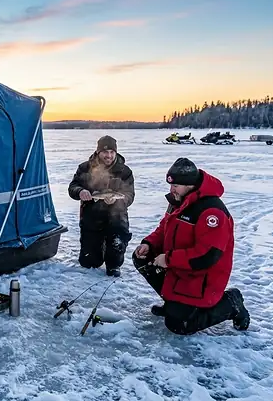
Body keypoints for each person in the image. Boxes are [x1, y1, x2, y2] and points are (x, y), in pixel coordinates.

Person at [133, 157, 250, 335]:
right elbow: (164, 228)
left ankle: (231, 303)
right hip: (181, 270)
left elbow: (207, 256)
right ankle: (173, 303)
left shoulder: (211, 212)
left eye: (176, 186)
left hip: (201, 277)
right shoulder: (179, 201)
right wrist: (149, 244)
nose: (171, 190)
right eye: (170, 185)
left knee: (179, 325)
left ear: (190, 184)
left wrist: (169, 259)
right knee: (141, 258)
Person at [68, 135, 135, 277]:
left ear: (116, 153)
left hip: (116, 216)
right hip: (92, 214)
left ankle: (113, 262)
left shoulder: (125, 171)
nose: (109, 155)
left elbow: (129, 195)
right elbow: (73, 187)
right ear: (98, 152)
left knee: (116, 244)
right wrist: (80, 191)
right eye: (105, 152)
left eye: (112, 152)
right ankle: (97, 248)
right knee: (89, 263)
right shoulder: (85, 168)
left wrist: (118, 202)